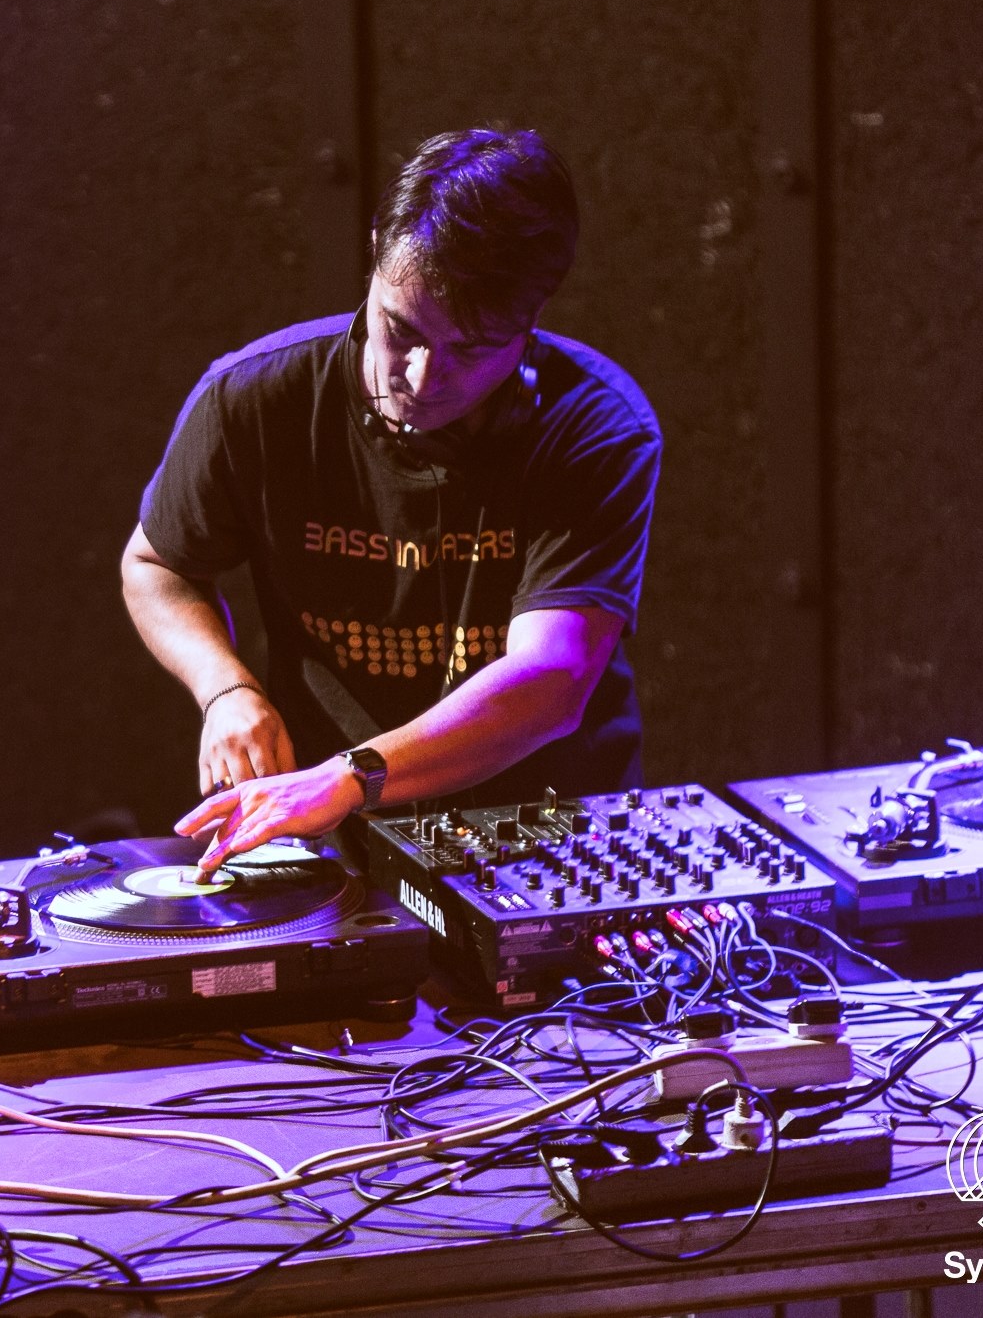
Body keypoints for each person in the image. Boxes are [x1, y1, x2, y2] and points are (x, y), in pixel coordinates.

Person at [120, 128, 661, 878]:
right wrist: (225, 689)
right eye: (400, 329)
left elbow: (550, 679)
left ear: (533, 318)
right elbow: (156, 565)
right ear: (376, 251)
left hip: (544, 842)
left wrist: (352, 776)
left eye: (470, 349)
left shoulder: (593, 428)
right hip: (335, 845)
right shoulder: (253, 399)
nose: (422, 376)